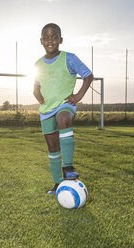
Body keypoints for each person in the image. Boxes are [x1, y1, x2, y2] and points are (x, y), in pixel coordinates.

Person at [33, 23, 94, 194]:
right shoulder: (38, 63)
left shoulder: (69, 58)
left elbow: (88, 75)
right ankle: (58, 182)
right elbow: (36, 84)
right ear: (41, 41)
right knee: (52, 147)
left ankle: (68, 167)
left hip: (65, 104)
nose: (50, 40)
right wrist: (36, 92)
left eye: (53, 37)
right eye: (46, 38)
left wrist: (79, 96)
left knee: (63, 119)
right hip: (46, 109)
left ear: (60, 40)